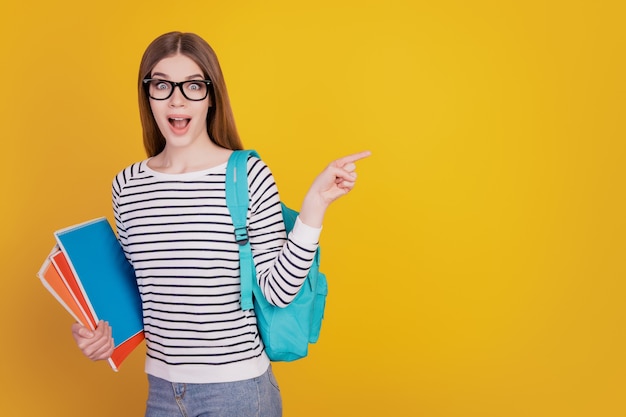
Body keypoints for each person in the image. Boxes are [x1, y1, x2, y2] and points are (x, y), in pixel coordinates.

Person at [70, 31, 370, 417]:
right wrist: (96, 333)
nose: (177, 99)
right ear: (147, 94)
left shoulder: (246, 174)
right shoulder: (128, 186)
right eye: (162, 84)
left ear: (211, 95)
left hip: (238, 394)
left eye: (193, 85)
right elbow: (139, 294)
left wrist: (316, 205)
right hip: (161, 393)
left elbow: (277, 292)